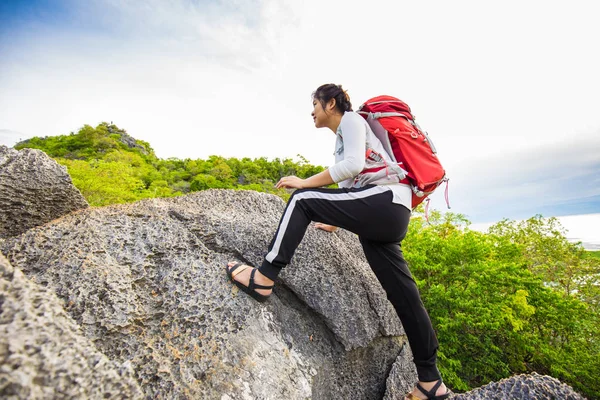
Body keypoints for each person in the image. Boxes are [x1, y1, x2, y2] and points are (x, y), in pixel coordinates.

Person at [226, 84, 450, 400]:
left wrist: (305, 183)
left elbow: (353, 167)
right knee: (405, 296)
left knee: (302, 199)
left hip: (386, 200)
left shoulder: (352, 121)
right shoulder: (344, 141)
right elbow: (350, 185)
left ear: (331, 103)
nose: (312, 112)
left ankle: (263, 277)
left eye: (315, 105)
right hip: (389, 213)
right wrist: (336, 218)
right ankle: (431, 382)